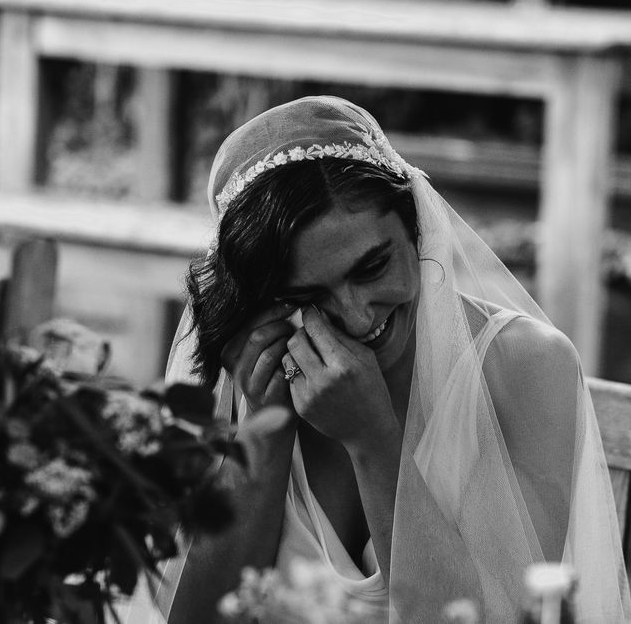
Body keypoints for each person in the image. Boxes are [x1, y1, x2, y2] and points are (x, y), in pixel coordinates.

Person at [134, 96, 630, 623]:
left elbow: (496, 618)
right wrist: (263, 434)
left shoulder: (525, 366)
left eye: (371, 267)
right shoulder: (250, 369)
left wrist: (373, 441)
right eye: (307, 297)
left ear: (417, 225)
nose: (354, 314)